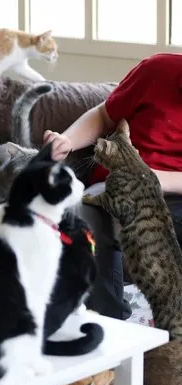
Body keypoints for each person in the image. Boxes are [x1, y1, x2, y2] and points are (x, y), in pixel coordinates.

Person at [44, 53, 182, 320]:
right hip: (113, 186)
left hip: (173, 194)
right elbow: (104, 115)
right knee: (82, 217)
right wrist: (67, 140)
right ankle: (109, 325)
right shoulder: (158, 70)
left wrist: (153, 178)